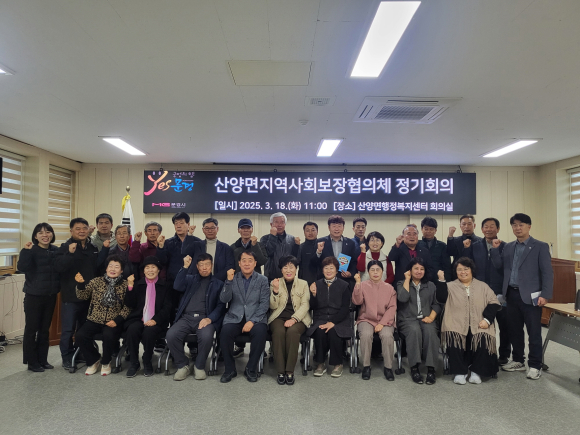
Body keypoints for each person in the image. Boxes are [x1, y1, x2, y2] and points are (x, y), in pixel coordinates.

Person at [490, 213, 553, 379]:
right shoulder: (509, 247)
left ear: (529, 227)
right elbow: (499, 266)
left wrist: (545, 294)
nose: (517, 228)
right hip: (511, 294)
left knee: (534, 332)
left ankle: (535, 365)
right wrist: (495, 250)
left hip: (532, 296)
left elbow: (547, 273)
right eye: (514, 225)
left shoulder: (540, 246)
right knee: (515, 331)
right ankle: (518, 360)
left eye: (521, 225)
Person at [435, 259, 501, 384]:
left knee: (483, 339)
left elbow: (494, 302)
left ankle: (476, 372)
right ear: (455, 272)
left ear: (472, 270)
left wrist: (487, 320)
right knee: (454, 338)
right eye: (459, 269)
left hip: (480, 323)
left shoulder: (483, 286)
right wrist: (441, 280)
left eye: (466, 269)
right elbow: (441, 298)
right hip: (455, 322)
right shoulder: (450, 286)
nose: (463, 272)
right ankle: (460, 372)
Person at [53, 217, 105, 369]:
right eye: (78, 228)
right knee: (68, 330)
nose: (82, 231)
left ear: (88, 230)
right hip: (71, 296)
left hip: (88, 297)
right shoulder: (65, 247)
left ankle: (81, 352)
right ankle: (67, 357)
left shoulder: (92, 247)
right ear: (71, 231)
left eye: (84, 228)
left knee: (83, 329)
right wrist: (69, 253)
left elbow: (97, 269)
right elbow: (59, 268)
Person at [166, 253, 226, 381]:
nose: (204, 267)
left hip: (205, 318)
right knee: (171, 335)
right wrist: (185, 267)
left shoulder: (218, 284)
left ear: (212, 265)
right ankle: (182, 365)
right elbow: (177, 286)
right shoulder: (189, 279)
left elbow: (221, 306)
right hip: (186, 318)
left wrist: (210, 319)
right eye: (201, 265)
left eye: (207, 264)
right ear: (197, 267)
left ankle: (199, 366)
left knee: (206, 336)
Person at [74, 255, 132, 376]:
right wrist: (80, 284)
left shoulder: (125, 285)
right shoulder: (96, 281)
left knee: (108, 335)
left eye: (116, 267)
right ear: (106, 268)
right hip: (94, 319)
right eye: (110, 266)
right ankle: (93, 359)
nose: (113, 269)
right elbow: (83, 296)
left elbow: (128, 306)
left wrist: (117, 320)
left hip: (113, 320)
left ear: (122, 270)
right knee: (80, 335)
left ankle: (106, 362)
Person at [464, 217, 511, 365]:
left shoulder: (506, 247)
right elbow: (468, 267)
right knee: (481, 323)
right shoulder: (475, 246)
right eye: (486, 226)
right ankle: (482, 354)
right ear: (482, 229)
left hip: (500, 292)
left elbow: (504, 268)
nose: (489, 229)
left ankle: (504, 355)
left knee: (504, 325)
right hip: (480, 291)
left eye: (492, 226)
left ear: (498, 229)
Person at [219, 251, 270, 383]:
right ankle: (230, 369)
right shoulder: (233, 278)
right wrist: (228, 282)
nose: (247, 263)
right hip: (235, 317)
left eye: (250, 260)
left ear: (255, 263)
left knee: (260, 332)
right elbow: (224, 299)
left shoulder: (263, 280)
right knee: (225, 332)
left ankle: (251, 368)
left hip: (256, 317)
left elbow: (264, 304)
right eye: (244, 260)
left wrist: (252, 321)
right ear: (239, 263)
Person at [17, 223, 60, 372]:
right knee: (31, 329)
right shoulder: (31, 250)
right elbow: (21, 267)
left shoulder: (55, 250)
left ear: (52, 234)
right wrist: (25, 251)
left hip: (50, 295)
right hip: (33, 296)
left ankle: (43, 359)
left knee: (44, 330)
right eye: (41, 233)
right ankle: (32, 362)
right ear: (35, 236)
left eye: (48, 232)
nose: (45, 235)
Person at [123, 256, 172, 377]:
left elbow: (167, 308)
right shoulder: (138, 285)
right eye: (147, 267)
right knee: (132, 330)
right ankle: (134, 362)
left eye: (153, 267)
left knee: (149, 332)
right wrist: (130, 287)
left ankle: (147, 360)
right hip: (139, 318)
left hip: (157, 320)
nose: (150, 270)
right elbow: (130, 304)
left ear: (158, 270)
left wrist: (155, 320)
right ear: (144, 271)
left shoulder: (165, 286)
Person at [396, 257, 441, 385]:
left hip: (427, 318)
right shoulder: (401, 283)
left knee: (430, 332)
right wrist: (407, 279)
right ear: (410, 270)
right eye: (416, 268)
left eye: (422, 269)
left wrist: (431, 317)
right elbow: (403, 298)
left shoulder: (430, 285)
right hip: (408, 319)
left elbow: (437, 304)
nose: (419, 271)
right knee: (414, 331)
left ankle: (431, 369)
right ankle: (414, 367)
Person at [268, 256, 311, 385]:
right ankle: (280, 371)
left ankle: (289, 371)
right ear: (281, 270)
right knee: (279, 332)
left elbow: (305, 305)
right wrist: (275, 291)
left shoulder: (303, 284)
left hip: (299, 318)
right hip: (278, 317)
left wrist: (294, 319)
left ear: (296, 269)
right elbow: (272, 307)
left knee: (292, 332)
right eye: (285, 267)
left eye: (291, 267)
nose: (288, 270)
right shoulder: (275, 282)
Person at [307, 256, 352, 378]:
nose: (328, 271)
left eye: (331, 268)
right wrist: (314, 295)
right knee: (320, 331)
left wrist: (333, 322)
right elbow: (312, 307)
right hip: (321, 318)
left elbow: (345, 308)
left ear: (337, 270)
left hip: (339, 319)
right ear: (322, 270)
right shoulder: (316, 284)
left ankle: (338, 364)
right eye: (326, 268)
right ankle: (320, 363)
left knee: (334, 332)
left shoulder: (344, 285)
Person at [352, 262, 397, 381]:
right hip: (366, 319)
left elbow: (392, 308)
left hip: (385, 320)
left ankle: (388, 367)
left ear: (382, 272)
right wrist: (357, 284)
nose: (375, 272)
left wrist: (382, 323)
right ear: (368, 272)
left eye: (378, 270)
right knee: (366, 334)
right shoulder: (363, 285)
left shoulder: (389, 288)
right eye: (372, 270)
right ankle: (366, 366)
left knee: (387, 335)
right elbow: (357, 301)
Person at [156, 212, 200, 311]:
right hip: (173, 284)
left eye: (181, 223)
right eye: (176, 223)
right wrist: (161, 247)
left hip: (191, 283)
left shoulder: (197, 242)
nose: (178, 226)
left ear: (188, 224)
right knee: (172, 311)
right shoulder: (168, 242)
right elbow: (162, 261)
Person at [312, 215, 359, 290]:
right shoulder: (320, 242)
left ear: (343, 227)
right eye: (334, 226)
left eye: (339, 226)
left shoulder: (350, 243)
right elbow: (313, 263)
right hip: (324, 281)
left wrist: (350, 273)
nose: (337, 229)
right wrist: (319, 252)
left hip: (344, 281)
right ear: (329, 227)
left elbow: (353, 262)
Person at [183, 217, 234, 283]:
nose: (210, 231)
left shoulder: (226, 248)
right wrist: (189, 234)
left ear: (217, 229)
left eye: (212, 228)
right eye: (207, 228)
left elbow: (229, 266)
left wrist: (214, 280)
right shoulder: (196, 245)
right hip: (198, 283)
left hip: (219, 283)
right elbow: (185, 251)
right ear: (203, 230)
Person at [260, 212, 299, 282]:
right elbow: (268, 253)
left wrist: (297, 246)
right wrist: (272, 237)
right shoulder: (264, 239)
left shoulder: (292, 239)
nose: (279, 225)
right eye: (276, 222)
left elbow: (295, 259)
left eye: (282, 222)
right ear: (271, 224)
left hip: (288, 278)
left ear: (285, 224)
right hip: (271, 278)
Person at [420, 217, 452, 282]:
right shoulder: (417, 245)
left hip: (438, 279)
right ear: (421, 229)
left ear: (435, 230)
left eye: (431, 229)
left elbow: (447, 266)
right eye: (426, 229)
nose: (428, 231)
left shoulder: (442, 246)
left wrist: (446, 280)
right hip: (421, 279)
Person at [297, 221, 320, 286]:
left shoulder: (322, 246)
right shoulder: (300, 247)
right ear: (304, 232)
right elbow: (296, 262)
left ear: (317, 231)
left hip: (320, 280)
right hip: (304, 280)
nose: (310, 233)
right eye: (307, 230)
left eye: (313, 230)